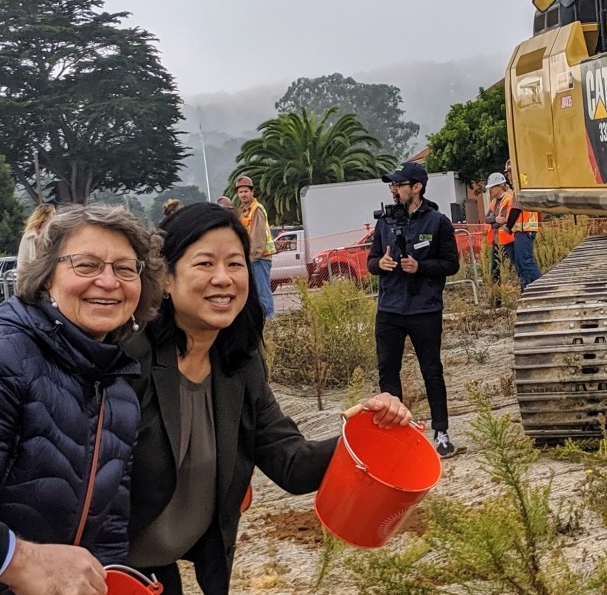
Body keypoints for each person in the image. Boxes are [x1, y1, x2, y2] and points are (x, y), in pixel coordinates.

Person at [125, 203, 412, 594]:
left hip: (160, 572)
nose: (223, 279)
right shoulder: (127, 361)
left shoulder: (239, 367)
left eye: (236, 264)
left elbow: (290, 464)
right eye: (205, 264)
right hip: (107, 569)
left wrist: (363, 432)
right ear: (167, 279)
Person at [0, 204, 165, 595]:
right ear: (46, 275)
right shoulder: (2, 358)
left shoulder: (118, 389)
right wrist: (18, 561)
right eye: (86, 265)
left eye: (125, 268)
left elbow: (109, 532)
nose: (108, 281)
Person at [368, 162, 460, 459]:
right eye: (392, 186)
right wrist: (379, 265)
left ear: (417, 187)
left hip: (425, 310)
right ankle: (396, 436)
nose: (393, 190)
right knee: (388, 374)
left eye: (399, 184)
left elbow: (451, 264)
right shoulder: (384, 222)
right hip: (389, 311)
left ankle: (442, 433)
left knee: (432, 371)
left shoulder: (438, 222)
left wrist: (420, 267)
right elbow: (371, 261)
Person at [232, 176, 275, 317]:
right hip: (253, 258)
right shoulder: (244, 211)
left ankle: (269, 320)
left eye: (245, 191)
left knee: (263, 292)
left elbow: (258, 236)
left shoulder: (256, 209)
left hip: (260, 258)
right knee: (256, 292)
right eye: (240, 192)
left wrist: (251, 258)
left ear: (252, 191)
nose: (243, 194)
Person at [503, 162, 542, 289]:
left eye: (508, 173)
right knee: (522, 263)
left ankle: (541, 288)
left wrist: (508, 226)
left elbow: (516, 209)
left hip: (524, 230)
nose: (507, 176)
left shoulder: (520, 188)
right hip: (523, 231)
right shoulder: (524, 187)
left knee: (526, 262)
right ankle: (528, 289)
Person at [484, 172, 516, 287]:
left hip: (509, 240)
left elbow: (505, 220)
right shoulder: (494, 202)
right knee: (495, 271)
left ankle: (525, 289)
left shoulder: (508, 198)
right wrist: (495, 220)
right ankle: (497, 299)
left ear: (501, 186)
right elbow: (486, 219)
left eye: (493, 187)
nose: (491, 190)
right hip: (497, 241)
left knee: (517, 267)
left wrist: (493, 221)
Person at [15, 203, 55, 269]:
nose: (55, 216)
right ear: (45, 217)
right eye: (53, 214)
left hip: (49, 269)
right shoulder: (29, 235)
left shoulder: (54, 232)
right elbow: (22, 259)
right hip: (35, 271)